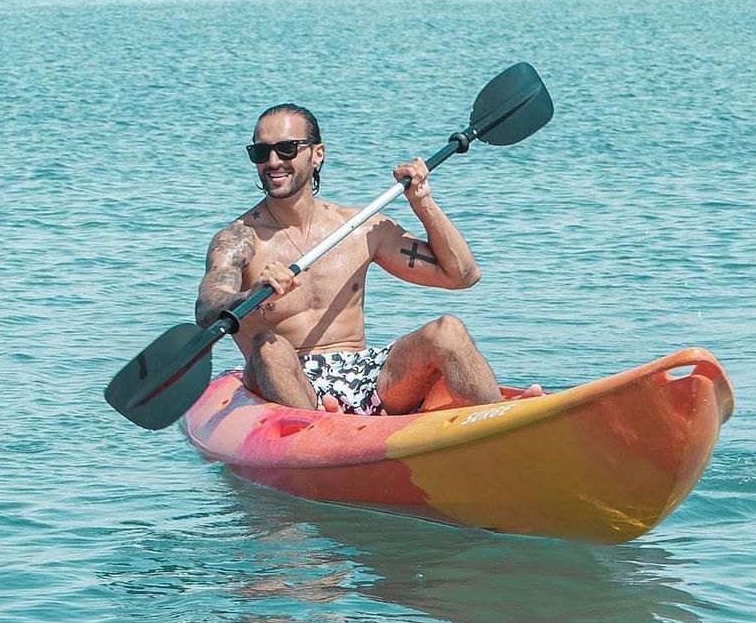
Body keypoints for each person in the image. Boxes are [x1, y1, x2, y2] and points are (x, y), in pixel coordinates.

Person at [195, 103, 537, 415]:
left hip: (364, 372)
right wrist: (248, 295)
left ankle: (505, 424)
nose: (273, 162)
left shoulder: (358, 228)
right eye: (261, 152)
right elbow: (207, 306)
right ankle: (320, 436)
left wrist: (423, 203)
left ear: (317, 155)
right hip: (288, 377)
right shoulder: (240, 238)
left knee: (447, 330)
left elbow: (462, 275)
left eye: (286, 149)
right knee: (269, 347)